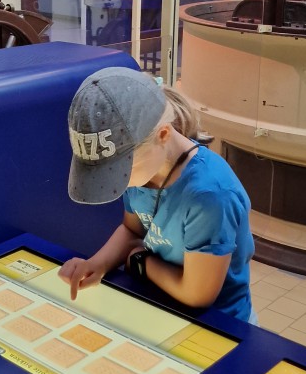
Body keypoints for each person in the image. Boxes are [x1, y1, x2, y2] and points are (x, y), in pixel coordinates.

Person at [59, 67, 256, 323]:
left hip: (218, 325)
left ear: (163, 135)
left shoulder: (209, 195)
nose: (117, 183)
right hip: (159, 306)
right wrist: (98, 264)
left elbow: (197, 294)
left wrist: (139, 261)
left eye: (120, 172)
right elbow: (133, 230)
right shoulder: (143, 169)